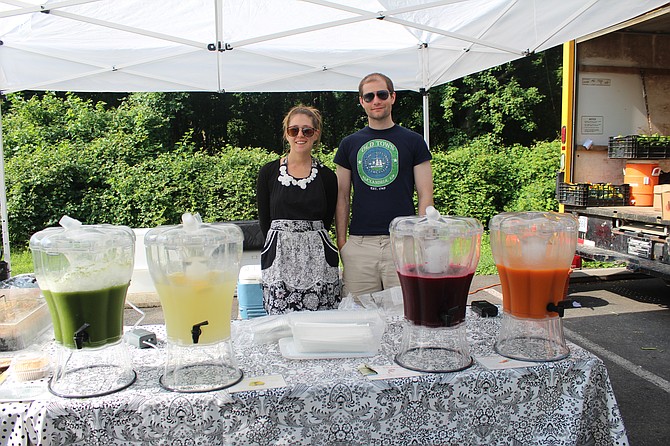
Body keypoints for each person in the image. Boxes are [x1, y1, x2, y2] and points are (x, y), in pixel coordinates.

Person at [334, 73, 434, 297]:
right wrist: (343, 243)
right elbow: (341, 197)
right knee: (358, 320)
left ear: (392, 97)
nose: (375, 100)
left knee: (404, 316)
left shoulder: (414, 141)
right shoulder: (348, 144)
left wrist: (419, 238)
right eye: (368, 97)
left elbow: (426, 194)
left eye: (381, 94)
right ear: (361, 102)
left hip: (402, 242)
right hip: (359, 245)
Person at [256, 105, 342, 314]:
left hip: (319, 261)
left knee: (321, 325)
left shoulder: (327, 176)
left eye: (307, 130)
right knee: (281, 326)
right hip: (280, 260)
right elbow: (264, 221)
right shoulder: (268, 173)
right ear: (287, 134)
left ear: (316, 134)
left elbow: (327, 219)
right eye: (294, 130)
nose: (300, 135)